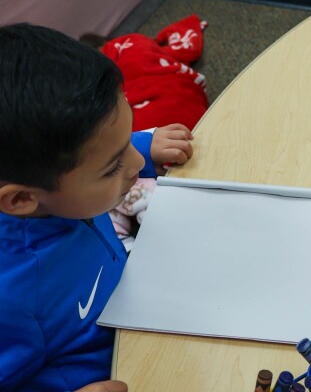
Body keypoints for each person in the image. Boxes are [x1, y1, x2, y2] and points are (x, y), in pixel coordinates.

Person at [0, 23, 195, 391]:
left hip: (131, 304)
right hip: (113, 368)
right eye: (113, 166)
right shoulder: (11, 300)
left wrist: (142, 143)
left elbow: (93, 149)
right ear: (22, 199)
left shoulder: (57, 191)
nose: (138, 164)